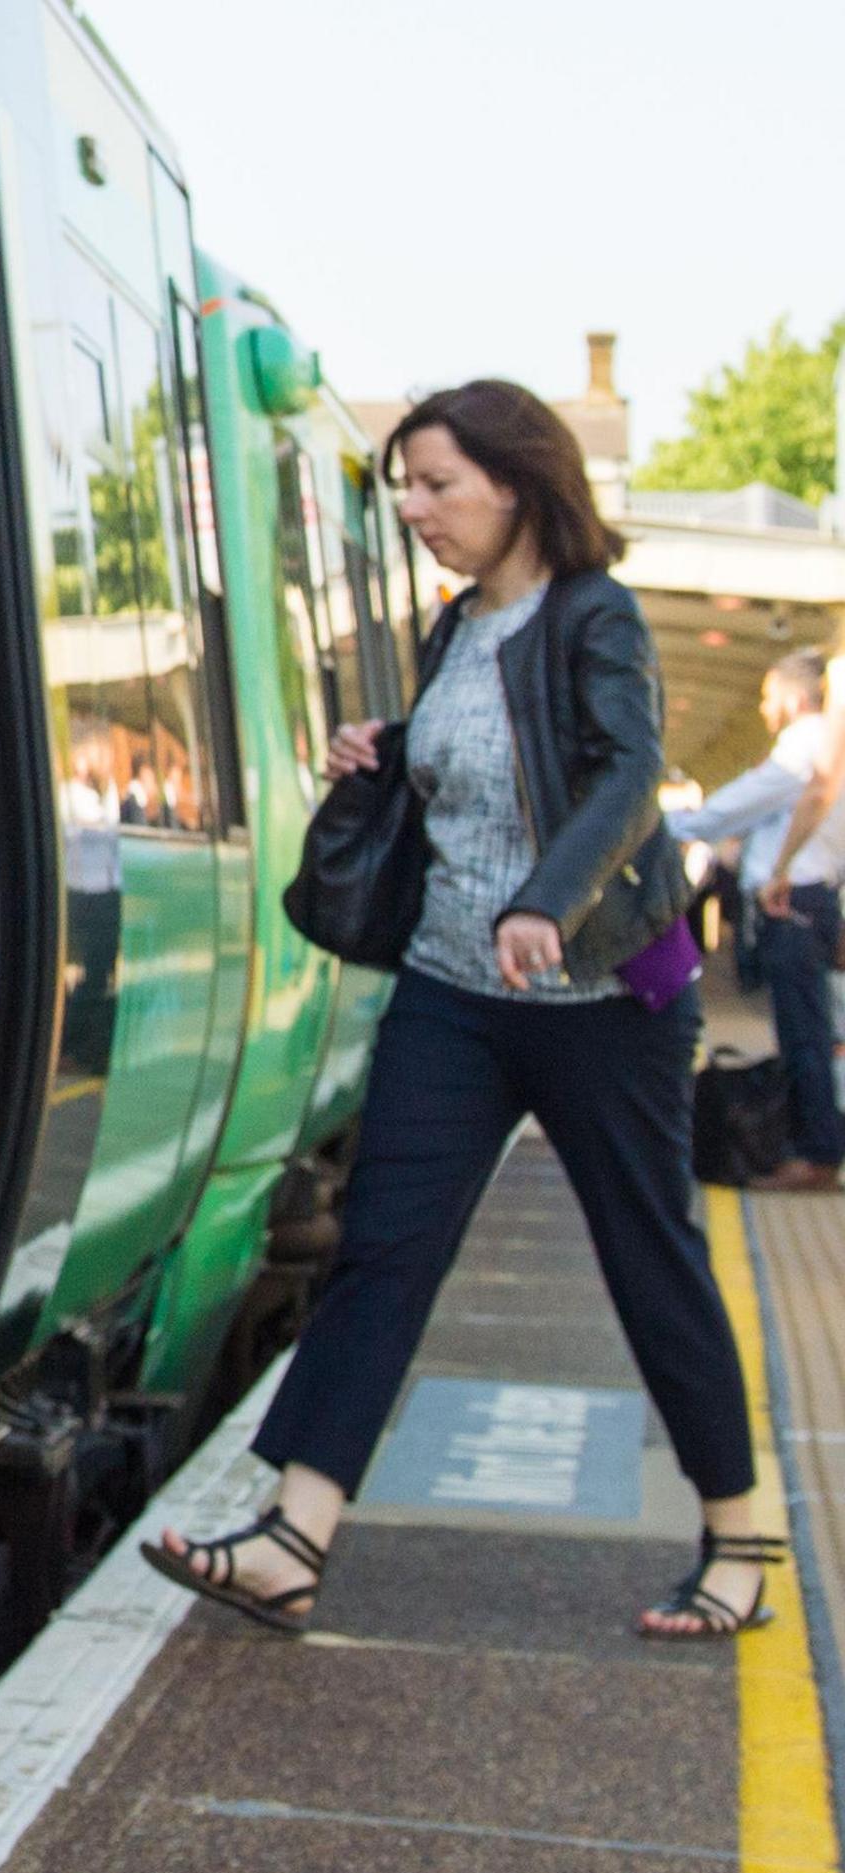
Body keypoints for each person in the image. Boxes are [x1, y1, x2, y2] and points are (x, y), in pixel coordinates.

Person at [146, 380, 774, 1641]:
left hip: (593, 998)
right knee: (386, 1245)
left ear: (517, 481)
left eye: (437, 485)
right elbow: (481, 767)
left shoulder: (594, 615)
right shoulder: (453, 628)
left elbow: (626, 775)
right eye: (407, 491)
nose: (417, 512)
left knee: (647, 1251)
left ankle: (742, 1538)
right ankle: (292, 1536)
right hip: (452, 992)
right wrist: (384, 747)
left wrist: (545, 901)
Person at [669, 649, 845, 1188]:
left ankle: (817, 1154)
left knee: (804, 1035)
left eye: (769, 698)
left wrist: (673, 821)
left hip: (791, 902)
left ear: (795, 700)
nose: (766, 710)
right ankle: (813, 1143)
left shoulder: (806, 747)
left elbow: (728, 810)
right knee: (812, 1030)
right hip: (816, 899)